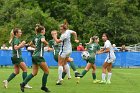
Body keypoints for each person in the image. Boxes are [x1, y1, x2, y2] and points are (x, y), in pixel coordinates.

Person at [20, 25, 50, 92]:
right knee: (46, 71)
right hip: (39, 56)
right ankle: (43, 86)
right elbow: (43, 40)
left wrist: (37, 47)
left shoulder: (35, 37)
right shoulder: (42, 36)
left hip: (34, 56)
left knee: (34, 72)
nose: (45, 31)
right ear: (42, 31)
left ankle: (23, 84)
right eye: (44, 30)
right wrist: (48, 44)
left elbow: (30, 44)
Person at [51, 20, 79, 85]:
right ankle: (69, 75)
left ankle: (60, 78)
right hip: (69, 50)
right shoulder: (68, 31)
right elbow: (74, 32)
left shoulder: (63, 35)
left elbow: (58, 41)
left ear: (63, 29)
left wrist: (54, 36)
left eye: (61, 29)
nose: (60, 30)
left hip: (64, 51)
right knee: (65, 62)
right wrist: (75, 39)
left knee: (60, 64)